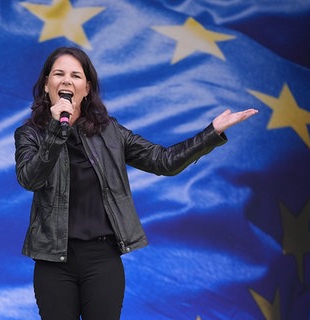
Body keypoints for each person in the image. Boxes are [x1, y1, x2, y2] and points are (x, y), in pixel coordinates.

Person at [13, 46, 257, 320]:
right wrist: (57, 131)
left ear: (86, 88)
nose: (67, 81)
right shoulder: (30, 134)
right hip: (53, 262)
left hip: (102, 259)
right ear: (47, 85)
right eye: (59, 74)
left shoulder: (110, 132)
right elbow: (30, 178)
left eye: (76, 75)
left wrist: (211, 133)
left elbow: (163, 161)